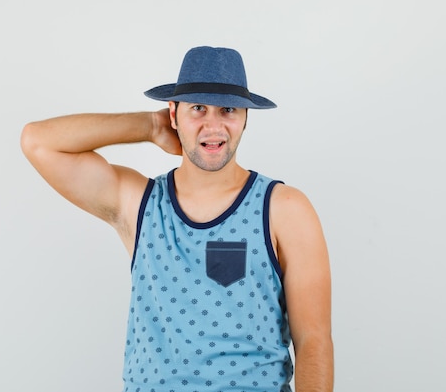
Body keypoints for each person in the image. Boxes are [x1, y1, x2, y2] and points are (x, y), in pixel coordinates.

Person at [21, 46, 333, 392]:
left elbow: (313, 343)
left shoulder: (284, 208)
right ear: (174, 114)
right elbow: (38, 142)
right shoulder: (138, 203)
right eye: (198, 108)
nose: (213, 126)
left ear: (246, 117)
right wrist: (150, 126)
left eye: (227, 109)